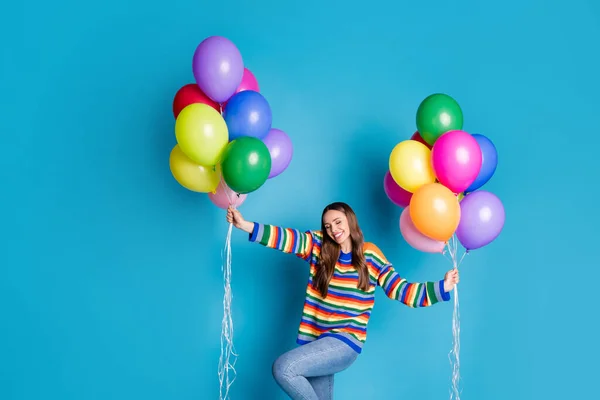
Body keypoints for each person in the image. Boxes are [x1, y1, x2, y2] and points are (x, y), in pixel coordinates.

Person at [226, 201, 459, 400]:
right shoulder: (319, 247)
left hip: (344, 342)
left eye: (338, 222)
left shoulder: (370, 254)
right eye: (328, 226)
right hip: (316, 342)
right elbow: (286, 238)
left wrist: (442, 286)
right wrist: (244, 225)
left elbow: (401, 290)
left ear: (350, 220)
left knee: (284, 368)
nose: (333, 229)